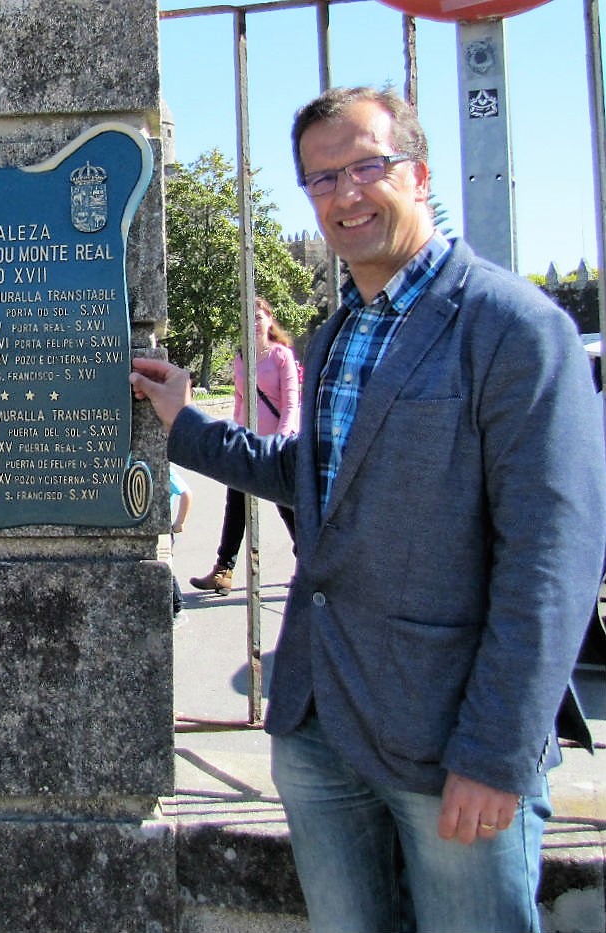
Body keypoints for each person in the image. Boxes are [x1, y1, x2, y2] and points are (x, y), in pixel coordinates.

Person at [130, 85, 606, 932]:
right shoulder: (338, 330)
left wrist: (495, 751)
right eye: (321, 179)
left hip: (448, 738)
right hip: (318, 724)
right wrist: (185, 425)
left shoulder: (515, 328)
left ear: (416, 174)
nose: (345, 193)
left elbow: (553, 559)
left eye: (366, 166)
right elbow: (319, 476)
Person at [190, 297, 299, 595]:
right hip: (247, 444)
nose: (254, 322)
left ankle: (311, 564)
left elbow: (291, 402)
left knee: (288, 508)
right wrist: (235, 436)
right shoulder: (241, 357)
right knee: (236, 507)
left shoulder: (280, 356)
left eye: (259, 316)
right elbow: (240, 402)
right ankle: (224, 570)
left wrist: (281, 439)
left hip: (276, 447)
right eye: (248, 317)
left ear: (269, 320)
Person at [168, 465, 192, 615]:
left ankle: (177, 605)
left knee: (164, 564)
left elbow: (186, 493)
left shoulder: (166, 470)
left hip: (164, 528)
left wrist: (180, 522)